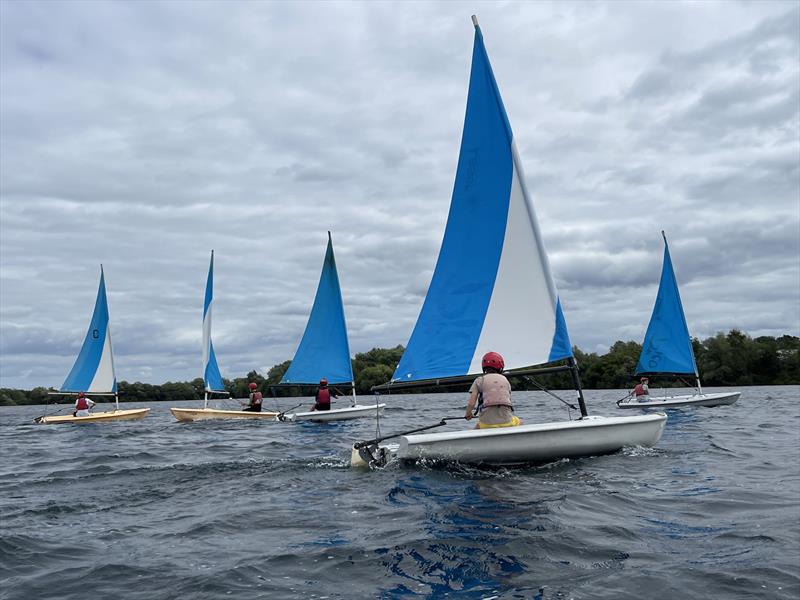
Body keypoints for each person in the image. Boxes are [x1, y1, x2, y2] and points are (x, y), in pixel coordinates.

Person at [464, 352, 522, 429]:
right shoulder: (505, 380)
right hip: (507, 421)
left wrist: (468, 414)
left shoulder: (479, 380)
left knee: (477, 427)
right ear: (501, 367)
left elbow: (471, 403)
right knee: (520, 422)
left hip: (486, 424)